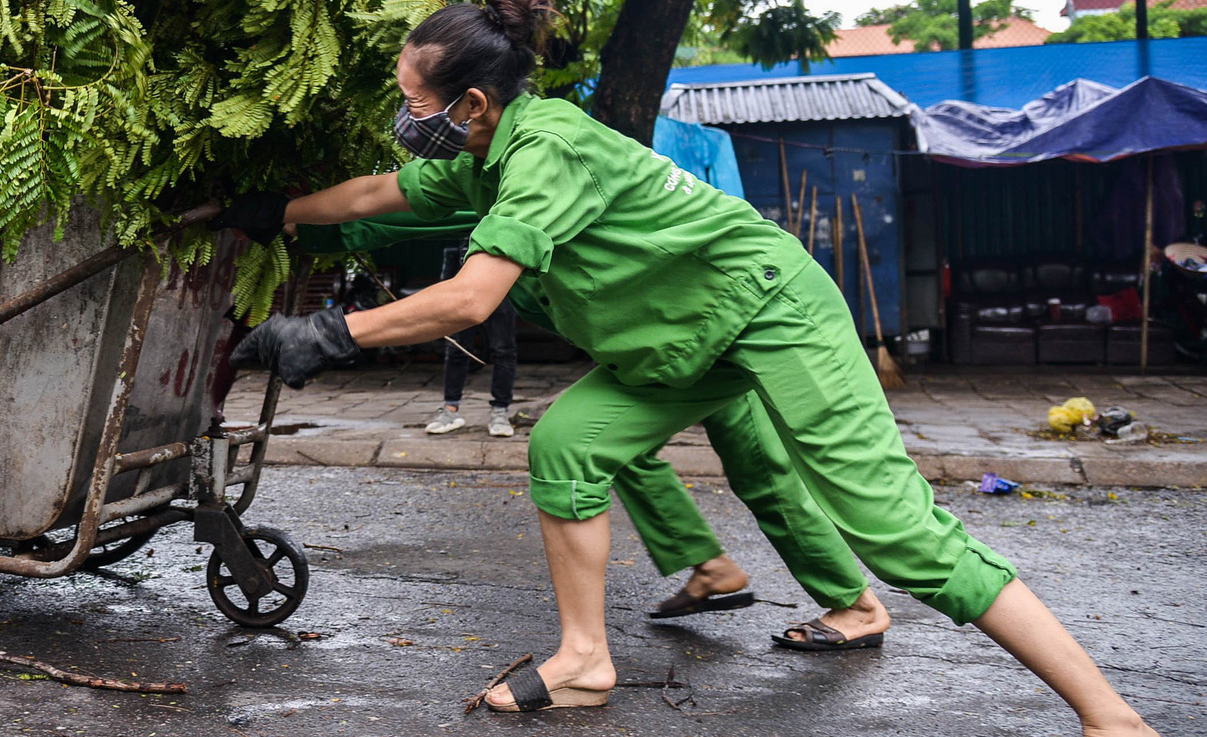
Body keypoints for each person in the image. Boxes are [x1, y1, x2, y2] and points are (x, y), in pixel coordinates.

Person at [219, 0, 1172, 737]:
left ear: (468, 102)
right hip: (681, 338)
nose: (404, 116)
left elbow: (471, 297)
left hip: (766, 309)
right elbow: (381, 193)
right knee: (568, 447)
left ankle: (1121, 730)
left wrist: (333, 332)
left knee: (895, 529)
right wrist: (270, 213)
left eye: (410, 101)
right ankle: (586, 661)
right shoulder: (486, 152)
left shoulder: (546, 149)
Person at [294, 213, 891, 646]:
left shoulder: (530, 189)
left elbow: (412, 227)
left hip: (706, 330)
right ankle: (709, 566)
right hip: (660, 346)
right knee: (608, 445)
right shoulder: (493, 196)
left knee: (762, 474)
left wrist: (311, 249)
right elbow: (404, 216)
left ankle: (856, 606)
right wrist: (300, 223)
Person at [430, 239, 518, 437]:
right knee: (457, 346)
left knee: (503, 348)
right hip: (460, 258)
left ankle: (500, 411)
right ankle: (450, 410)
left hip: (499, 261)